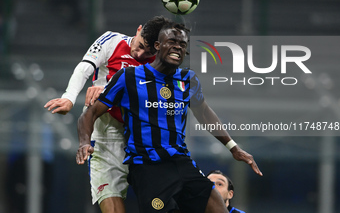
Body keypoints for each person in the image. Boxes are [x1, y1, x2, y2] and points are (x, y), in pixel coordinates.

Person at [76, 21, 263, 213]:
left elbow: (205, 113)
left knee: (218, 207)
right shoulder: (129, 77)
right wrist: (84, 142)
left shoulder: (188, 79)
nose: (178, 47)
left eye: (182, 44)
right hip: (148, 168)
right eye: (172, 41)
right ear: (157, 45)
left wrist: (233, 148)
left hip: (181, 162)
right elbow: (89, 114)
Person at [45, 15, 171, 213]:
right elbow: (85, 67)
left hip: (143, 139)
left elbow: (150, 102)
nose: (140, 54)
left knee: (163, 206)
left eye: (147, 53)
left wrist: (106, 91)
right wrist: (69, 97)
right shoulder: (111, 40)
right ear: (138, 30)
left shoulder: (162, 63)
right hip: (105, 135)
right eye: (139, 46)